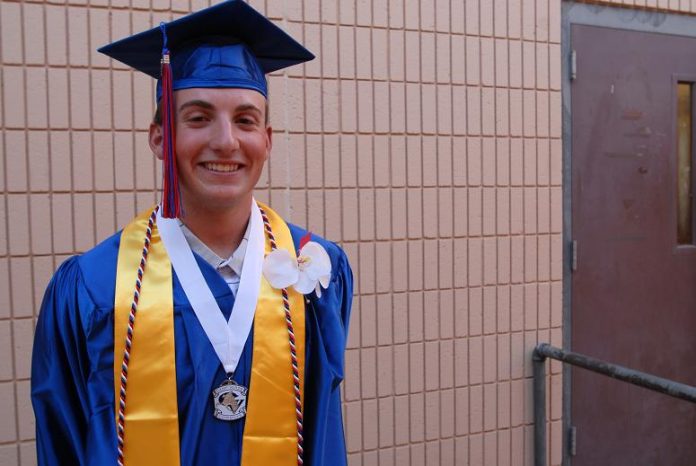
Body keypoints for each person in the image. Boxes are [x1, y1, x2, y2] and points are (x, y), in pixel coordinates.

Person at [30, 2, 353, 465]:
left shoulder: (319, 272)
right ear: (160, 137)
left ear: (267, 138)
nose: (226, 141)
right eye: (198, 118)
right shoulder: (94, 288)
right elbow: (61, 442)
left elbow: (324, 437)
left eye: (245, 120)